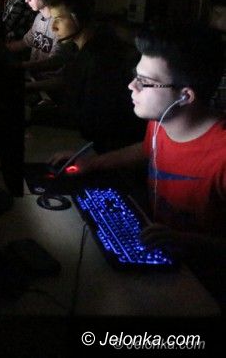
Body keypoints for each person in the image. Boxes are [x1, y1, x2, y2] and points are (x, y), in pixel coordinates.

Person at [50, 25, 226, 307]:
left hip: (204, 288)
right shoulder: (161, 122)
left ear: (186, 96)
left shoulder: (221, 155)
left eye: (144, 81)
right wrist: (92, 164)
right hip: (162, 259)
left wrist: (186, 240)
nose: (131, 86)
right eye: (135, 76)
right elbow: (146, 150)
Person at [47, 0, 145, 153]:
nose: (53, 27)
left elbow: (93, 120)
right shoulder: (82, 48)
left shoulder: (100, 57)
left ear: (77, 17)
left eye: (59, 19)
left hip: (100, 147)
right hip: (87, 137)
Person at [6, 0, 76, 98]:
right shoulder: (39, 18)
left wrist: (19, 66)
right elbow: (25, 42)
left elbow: (54, 61)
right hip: (33, 79)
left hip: (50, 90)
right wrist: (1, 50)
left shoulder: (62, 25)